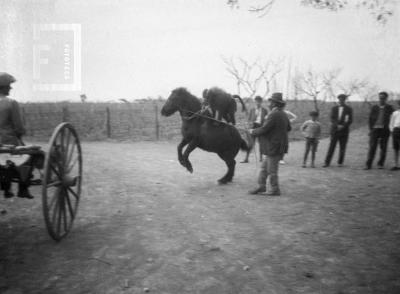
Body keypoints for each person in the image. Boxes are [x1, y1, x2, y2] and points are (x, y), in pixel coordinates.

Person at [248, 92, 291, 196]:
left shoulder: (274, 114)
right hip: (276, 146)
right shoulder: (283, 114)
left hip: (274, 147)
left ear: (275, 103)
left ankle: (275, 190)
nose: (269, 103)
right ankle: (261, 186)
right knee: (264, 168)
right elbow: (289, 128)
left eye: (271, 101)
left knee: (272, 170)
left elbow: (265, 129)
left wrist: (252, 131)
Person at [0, 72, 34, 199]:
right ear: (3, 87)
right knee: (30, 157)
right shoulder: (11, 103)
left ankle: (6, 187)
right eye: (9, 85)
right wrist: (20, 133)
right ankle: (23, 189)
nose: (10, 87)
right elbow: (19, 127)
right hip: (9, 141)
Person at [365, 92, 394, 170]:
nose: (381, 100)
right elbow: (370, 119)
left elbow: (393, 119)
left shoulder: (390, 108)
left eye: (383, 98)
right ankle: (368, 164)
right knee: (372, 147)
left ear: (386, 99)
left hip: (385, 130)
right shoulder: (374, 107)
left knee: (383, 148)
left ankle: (380, 163)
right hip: (375, 130)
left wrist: (390, 129)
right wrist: (371, 129)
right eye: (380, 98)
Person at [323, 94, 353, 167]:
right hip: (335, 130)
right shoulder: (334, 108)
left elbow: (350, 120)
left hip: (344, 131)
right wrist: (337, 125)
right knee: (332, 146)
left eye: (343, 99)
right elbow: (332, 118)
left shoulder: (349, 109)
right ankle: (327, 162)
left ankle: (340, 162)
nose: (341, 101)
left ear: (345, 100)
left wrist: (343, 126)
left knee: (342, 147)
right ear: (338, 100)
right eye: (340, 99)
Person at [241, 96, 268, 163]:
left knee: (261, 143)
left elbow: (267, 120)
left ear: (261, 102)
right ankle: (246, 159)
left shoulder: (265, 110)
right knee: (250, 144)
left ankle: (261, 159)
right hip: (253, 127)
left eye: (259, 101)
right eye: (256, 101)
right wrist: (248, 126)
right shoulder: (252, 110)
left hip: (261, 127)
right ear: (255, 102)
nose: (258, 103)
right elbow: (249, 119)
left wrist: (264, 127)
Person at [389, 99, 400, 170]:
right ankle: (396, 165)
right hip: (396, 131)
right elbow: (391, 123)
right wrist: (392, 131)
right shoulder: (395, 113)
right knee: (396, 148)